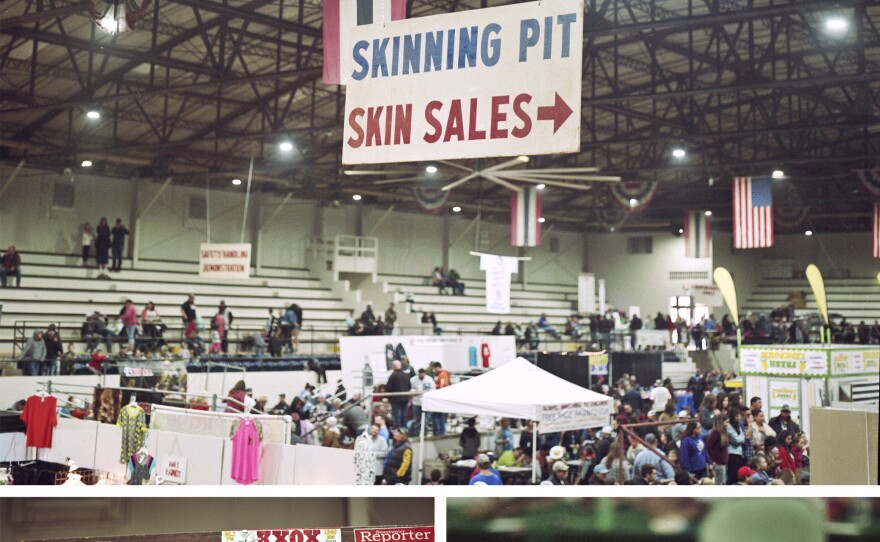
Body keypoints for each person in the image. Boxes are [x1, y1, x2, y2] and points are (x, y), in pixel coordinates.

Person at [385, 360, 411, 429]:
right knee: (404, 415)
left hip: (395, 399)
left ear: (395, 366)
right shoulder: (406, 375)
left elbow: (388, 388)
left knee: (397, 416)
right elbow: (409, 387)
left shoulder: (393, 376)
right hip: (405, 399)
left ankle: (397, 430)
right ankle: (404, 430)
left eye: (392, 365)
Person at [409, 368, 436, 435]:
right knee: (417, 420)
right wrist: (415, 392)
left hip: (426, 402)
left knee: (426, 420)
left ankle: (425, 434)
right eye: (420, 373)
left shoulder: (429, 379)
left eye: (422, 372)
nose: (421, 374)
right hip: (417, 402)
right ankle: (416, 434)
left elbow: (433, 389)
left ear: (424, 373)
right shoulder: (413, 379)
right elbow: (410, 389)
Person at [705, 416, 729, 486]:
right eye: (726, 422)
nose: (728, 424)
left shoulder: (724, 432)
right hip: (718, 463)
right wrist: (712, 460)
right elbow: (708, 446)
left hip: (723, 463)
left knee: (723, 482)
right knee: (719, 484)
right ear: (721, 422)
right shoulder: (715, 432)